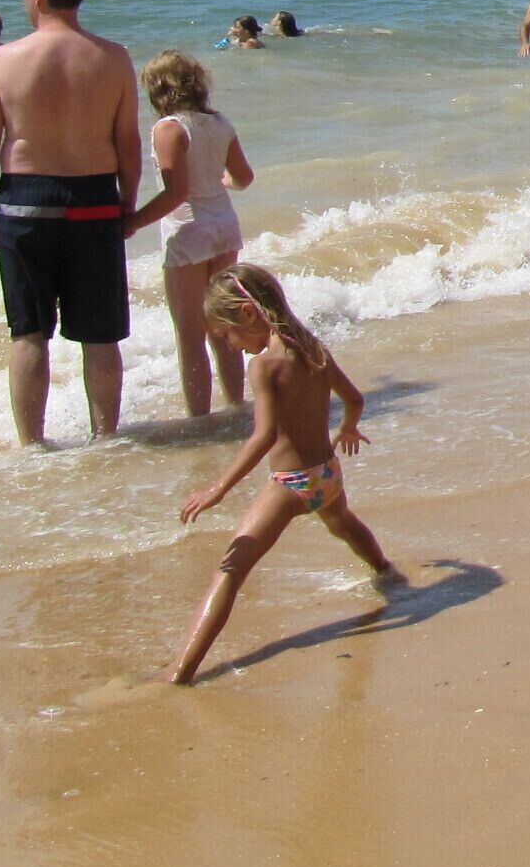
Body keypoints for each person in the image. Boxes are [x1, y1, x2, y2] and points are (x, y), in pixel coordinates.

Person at [168, 264, 400, 684]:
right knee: (342, 524)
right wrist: (348, 428)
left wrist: (218, 488)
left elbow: (264, 436)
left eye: (227, 335)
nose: (232, 346)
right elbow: (354, 398)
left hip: (290, 485)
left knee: (230, 569)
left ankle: (180, 671)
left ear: (247, 313)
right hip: (326, 475)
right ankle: (386, 571)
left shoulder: (264, 366)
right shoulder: (314, 349)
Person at [0, 0, 139, 446]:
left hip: (25, 202)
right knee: (100, 336)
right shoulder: (114, 57)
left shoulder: (5, 59)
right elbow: (127, 144)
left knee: (29, 334)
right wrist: (127, 205)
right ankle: (106, 439)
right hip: (95, 198)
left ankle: (32, 446)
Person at [125, 50, 256, 417]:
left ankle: (199, 417)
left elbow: (175, 193)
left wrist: (131, 222)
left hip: (188, 231)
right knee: (223, 325)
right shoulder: (219, 122)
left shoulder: (169, 128)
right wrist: (218, 182)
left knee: (189, 334)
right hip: (224, 226)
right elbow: (244, 178)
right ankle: (236, 405)